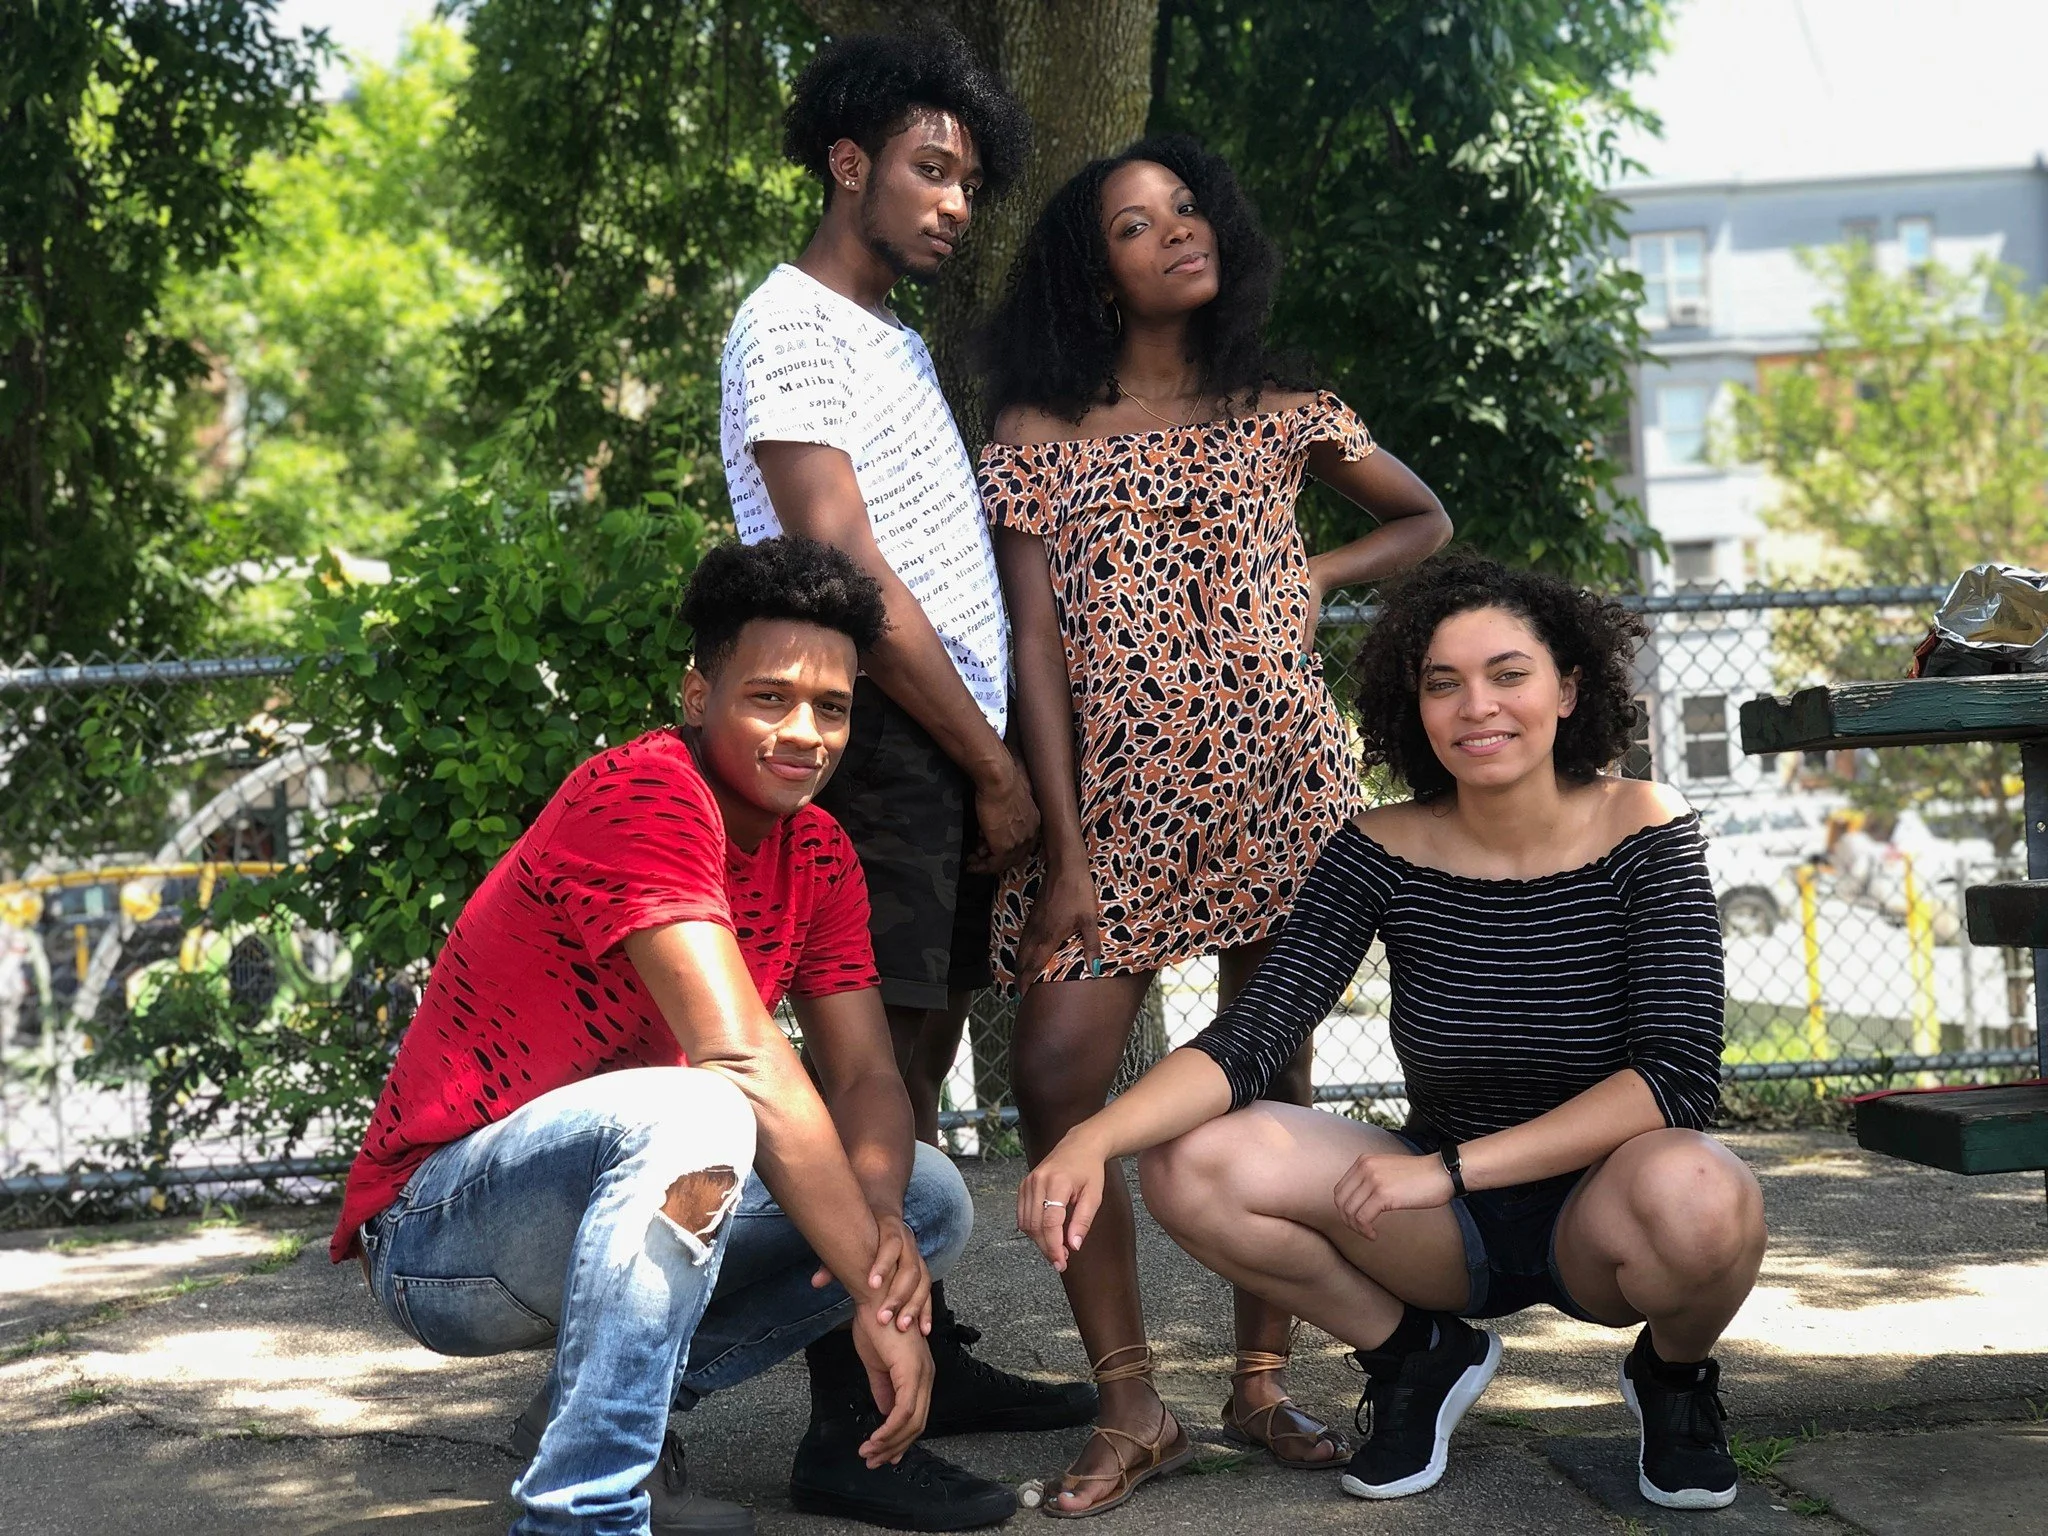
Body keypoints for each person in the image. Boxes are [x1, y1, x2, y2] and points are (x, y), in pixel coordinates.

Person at [1020, 551, 1769, 1514]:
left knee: (1706, 1189)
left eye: (1508, 674)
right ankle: (1419, 1357)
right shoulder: (1379, 847)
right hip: (1445, 1231)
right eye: (1443, 683)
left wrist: (1450, 1171)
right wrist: (1092, 1139)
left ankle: (1674, 1378)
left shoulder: (1644, 824)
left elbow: (1676, 1077)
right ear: (1415, 707)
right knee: (1189, 1160)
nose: (1477, 707)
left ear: (1569, 689)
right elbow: (1255, 1035)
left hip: (1605, 1207)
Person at [329, 539, 1020, 1536]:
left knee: (923, 1194)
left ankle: (591, 1422)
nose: (804, 733)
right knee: (704, 1104)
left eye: (831, 708)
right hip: (442, 1233)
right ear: (699, 696)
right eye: (770, 698)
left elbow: (869, 1073)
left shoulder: (815, 850)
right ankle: (584, 1511)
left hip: (629, 1188)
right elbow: (739, 1054)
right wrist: (875, 1295)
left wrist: (878, 1237)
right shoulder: (644, 792)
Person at [969, 135, 1452, 1515]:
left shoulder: (1286, 410)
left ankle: (1258, 1381)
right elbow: (1033, 642)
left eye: (1186, 209)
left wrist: (1319, 571)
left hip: (1276, 786)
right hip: (1113, 806)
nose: (1175, 231)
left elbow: (1424, 520)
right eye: (1134, 224)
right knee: (1057, 1071)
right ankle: (1130, 1401)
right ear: (1094, 272)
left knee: (1267, 1078)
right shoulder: (1038, 430)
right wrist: (1063, 851)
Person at [718, 27, 1097, 1440]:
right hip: (873, 735)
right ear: (847, 162)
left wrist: (985, 754)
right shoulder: (790, 324)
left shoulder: (890, 335)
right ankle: (851, 1420)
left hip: (936, 744)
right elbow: (847, 567)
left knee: (914, 1071)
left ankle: (915, 1350)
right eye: (931, 171)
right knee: (864, 1081)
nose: (953, 204)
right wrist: (992, 767)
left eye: (970, 185)